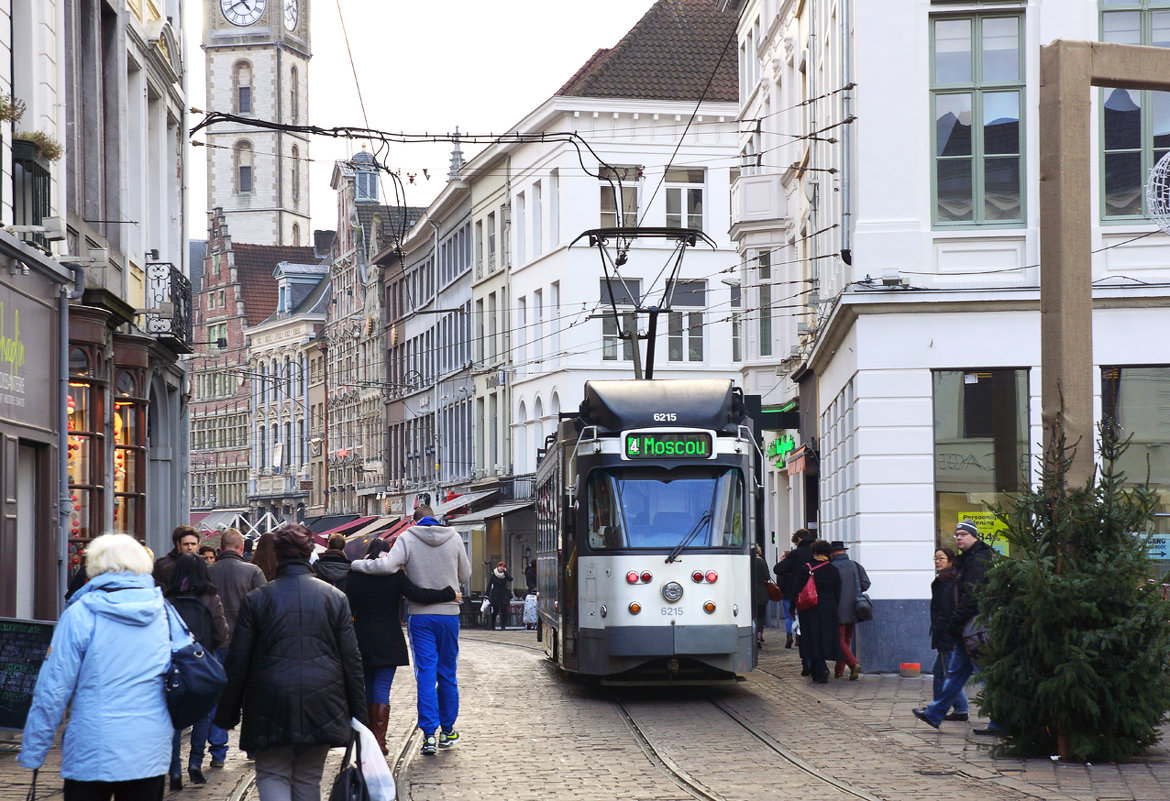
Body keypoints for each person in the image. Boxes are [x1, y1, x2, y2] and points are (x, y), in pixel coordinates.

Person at [214, 524, 366, 801]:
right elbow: (351, 660)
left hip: (269, 700)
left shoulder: (258, 599)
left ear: (278, 555)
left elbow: (238, 661)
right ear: (309, 553)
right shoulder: (335, 598)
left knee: (272, 773)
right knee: (309, 779)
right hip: (322, 701)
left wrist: (227, 712)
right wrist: (359, 714)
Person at [18, 534, 173, 801]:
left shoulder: (80, 614)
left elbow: (53, 688)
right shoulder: (164, 613)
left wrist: (35, 750)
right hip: (149, 746)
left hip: (93, 746)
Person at [349, 504, 471, 756]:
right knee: (447, 673)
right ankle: (448, 730)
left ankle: (428, 735)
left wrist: (356, 565)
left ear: (414, 521)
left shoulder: (407, 537)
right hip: (449, 614)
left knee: (425, 673)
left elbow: (387, 567)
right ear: (434, 519)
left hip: (421, 615)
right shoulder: (455, 537)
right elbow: (466, 575)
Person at [913, 519, 995, 732]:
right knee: (955, 675)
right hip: (964, 630)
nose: (959, 537)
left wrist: (955, 621)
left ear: (974, 537)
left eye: (964, 534)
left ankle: (1000, 721)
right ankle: (934, 713)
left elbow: (972, 597)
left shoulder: (978, 560)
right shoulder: (966, 560)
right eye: (957, 534)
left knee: (986, 677)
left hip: (974, 629)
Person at [165, 555, 228, 790]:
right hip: (202, 663)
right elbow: (221, 632)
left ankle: (174, 767)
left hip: (175, 666)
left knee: (174, 717)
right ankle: (195, 763)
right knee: (203, 714)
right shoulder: (211, 599)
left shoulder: (168, 600)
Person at [206, 528, 267, 767]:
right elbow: (264, 608)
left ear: (220, 548)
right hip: (246, 643)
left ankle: (218, 751)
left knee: (217, 697)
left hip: (216, 643)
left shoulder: (208, 572)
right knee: (250, 696)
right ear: (242, 548)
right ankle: (252, 747)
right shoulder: (253, 572)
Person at [929, 546, 969, 722]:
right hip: (945, 632)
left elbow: (945, 610)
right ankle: (937, 706)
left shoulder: (947, 581)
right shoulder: (947, 578)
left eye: (941, 558)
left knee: (949, 673)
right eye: (935, 558)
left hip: (946, 633)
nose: (937, 561)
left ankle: (960, 708)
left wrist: (941, 630)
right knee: (939, 671)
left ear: (951, 561)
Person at [796, 539, 841, 684]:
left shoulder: (806, 568)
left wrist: (793, 607)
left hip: (810, 607)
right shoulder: (833, 570)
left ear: (814, 552)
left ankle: (820, 667)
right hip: (829, 607)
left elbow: (798, 589)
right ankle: (820, 667)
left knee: (811, 637)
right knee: (825, 637)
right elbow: (838, 591)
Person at [829, 541, 871, 680]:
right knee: (846, 640)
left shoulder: (832, 567)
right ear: (844, 551)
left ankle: (853, 664)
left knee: (838, 641)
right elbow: (866, 583)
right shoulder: (855, 565)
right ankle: (839, 671)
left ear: (832, 552)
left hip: (837, 609)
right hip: (854, 607)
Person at [774, 529, 814, 649]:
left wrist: (791, 570)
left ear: (799, 540)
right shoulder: (816, 551)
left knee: (791, 616)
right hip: (815, 592)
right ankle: (804, 638)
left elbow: (778, 569)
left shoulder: (796, 554)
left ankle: (790, 636)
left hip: (796, 592)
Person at [751, 544, 770, 646]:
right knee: (761, 615)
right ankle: (758, 635)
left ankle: (751, 635)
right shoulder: (761, 561)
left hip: (748, 592)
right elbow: (766, 576)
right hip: (761, 592)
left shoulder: (746, 561)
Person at [486, 561, 513, 631]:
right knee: (495, 611)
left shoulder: (504, 574)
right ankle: (493, 626)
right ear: (497, 567)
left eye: (503, 566)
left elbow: (510, 579)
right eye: (500, 566)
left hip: (503, 594)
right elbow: (489, 585)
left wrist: (505, 572)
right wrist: (486, 595)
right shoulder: (493, 575)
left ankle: (503, 626)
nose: (501, 568)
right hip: (495, 594)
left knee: (504, 611)